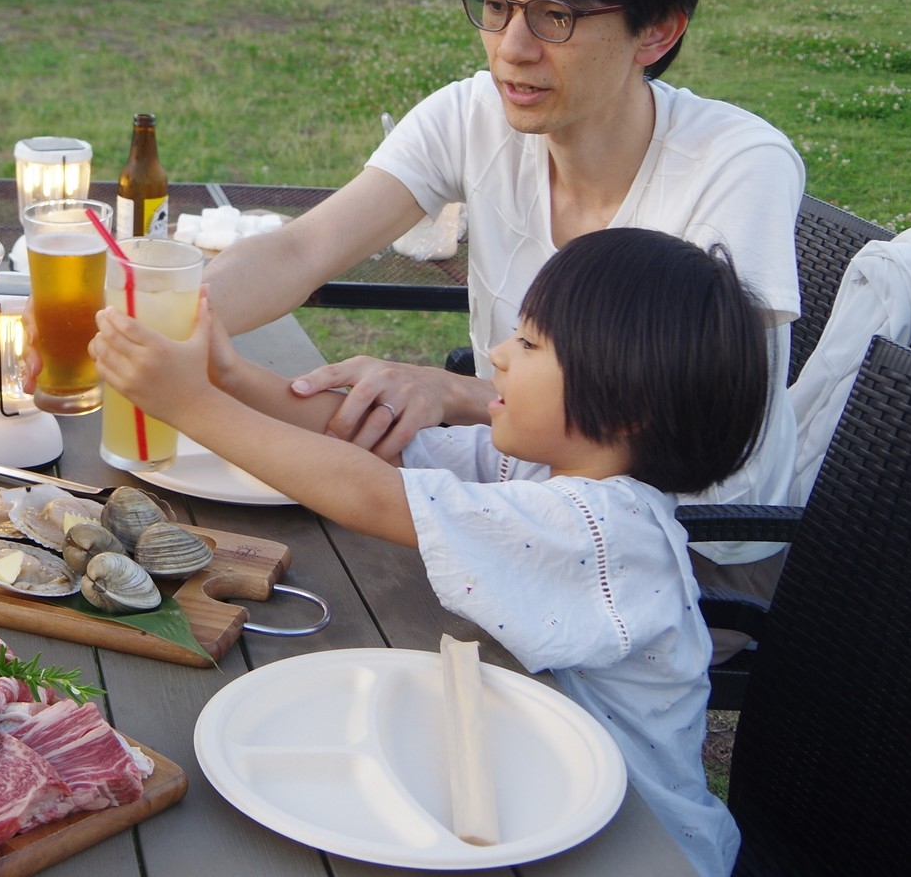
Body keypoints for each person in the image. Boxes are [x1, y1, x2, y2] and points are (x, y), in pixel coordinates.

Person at [203, 0, 803, 627]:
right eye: (497, 5)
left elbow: (682, 417)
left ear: (656, 30)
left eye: (555, 16)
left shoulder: (736, 163)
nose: (511, 48)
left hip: (690, 546)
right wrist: (155, 319)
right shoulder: (476, 112)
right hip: (525, 479)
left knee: (351, 604)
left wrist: (462, 395)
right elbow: (303, 248)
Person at [95, 228, 765, 877]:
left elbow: (379, 496)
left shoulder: (606, 529)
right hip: (528, 787)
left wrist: (192, 404)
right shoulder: (543, 467)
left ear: (626, 408)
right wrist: (230, 376)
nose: (497, 355)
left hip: (636, 846)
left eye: (530, 343)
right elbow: (361, 443)